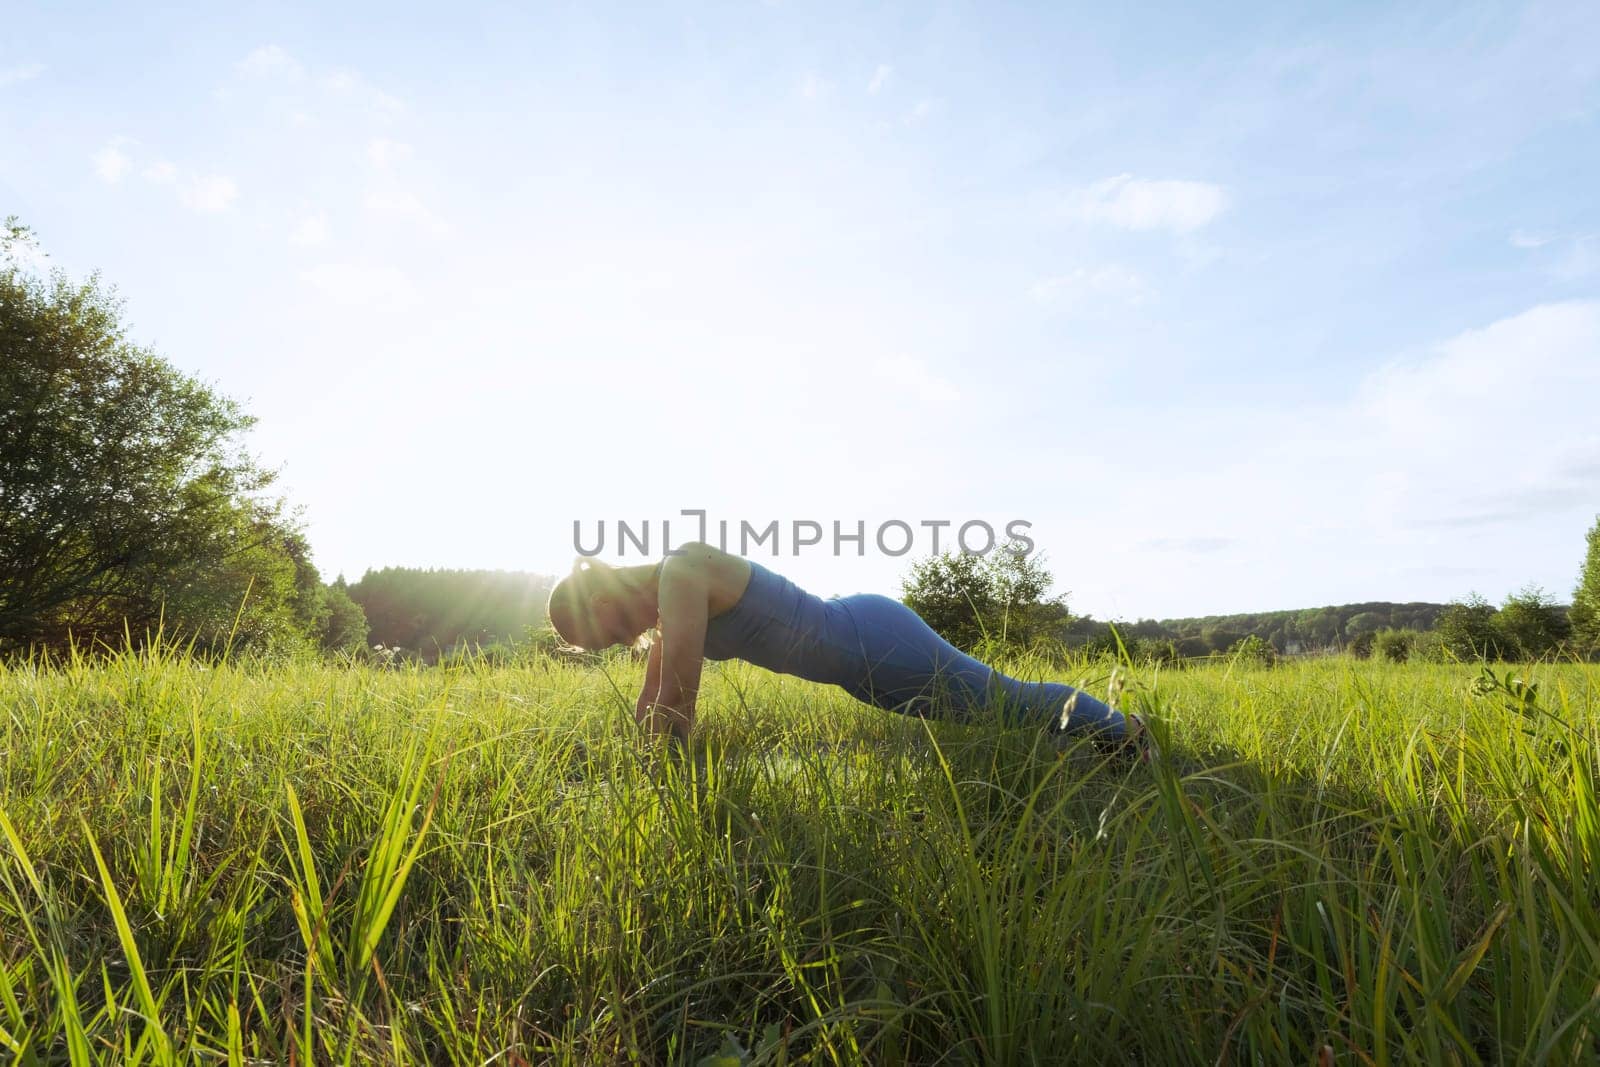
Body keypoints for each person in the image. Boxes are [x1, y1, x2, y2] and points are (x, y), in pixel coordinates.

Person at [545, 541, 1146, 755]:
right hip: (861, 677)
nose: (623, 643)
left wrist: (664, 785)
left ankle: (1127, 736)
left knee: (1003, 700)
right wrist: (634, 757)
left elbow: (677, 697)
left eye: (606, 638)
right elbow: (651, 703)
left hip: (873, 638)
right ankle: (1104, 741)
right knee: (990, 715)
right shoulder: (667, 606)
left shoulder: (682, 573)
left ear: (601, 607)